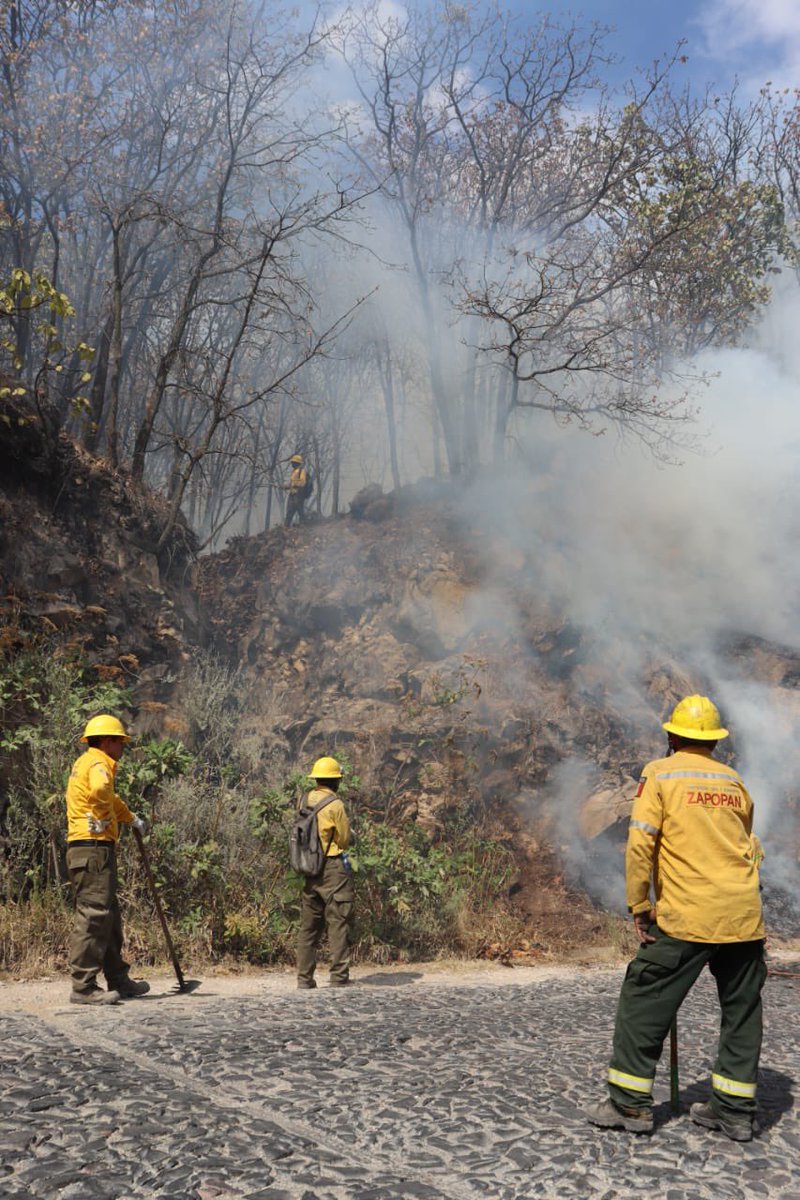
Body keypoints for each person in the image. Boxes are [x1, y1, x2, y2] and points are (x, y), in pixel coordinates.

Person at [586, 694, 766, 1141]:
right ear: (715, 742)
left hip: (688, 913)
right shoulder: (734, 782)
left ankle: (629, 1105)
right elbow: (751, 846)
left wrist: (639, 905)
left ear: (671, 736)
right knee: (742, 1011)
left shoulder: (660, 774)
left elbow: (641, 844)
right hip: (743, 916)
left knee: (645, 994)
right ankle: (735, 1112)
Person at [65, 715, 150, 1005]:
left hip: (92, 849)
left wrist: (131, 818)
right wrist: (102, 818)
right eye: (119, 741)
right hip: (93, 848)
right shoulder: (100, 763)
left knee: (108, 915)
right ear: (106, 741)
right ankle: (83, 987)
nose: (122, 747)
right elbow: (102, 793)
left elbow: (110, 798)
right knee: (93, 916)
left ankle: (118, 979)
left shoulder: (86, 763)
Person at [296, 755, 354, 989]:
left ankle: (304, 979)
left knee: (308, 927)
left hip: (309, 867)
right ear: (335, 781)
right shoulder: (335, 805)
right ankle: (339, 977)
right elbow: (344, 839)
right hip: (332, 868)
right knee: (338, 922)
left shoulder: (303, 799)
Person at [284, 454, 308, 527]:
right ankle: (286, 527)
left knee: (300, 511)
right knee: (289, 511)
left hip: (298, 495)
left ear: (297, 463)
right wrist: (287, 486)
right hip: (292, 494)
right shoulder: (294, 471)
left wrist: (292, 484)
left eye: (293, 462)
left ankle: (303, 526)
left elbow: (302, 482)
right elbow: (292, 482)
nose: (292, 464)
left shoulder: (302, 471)